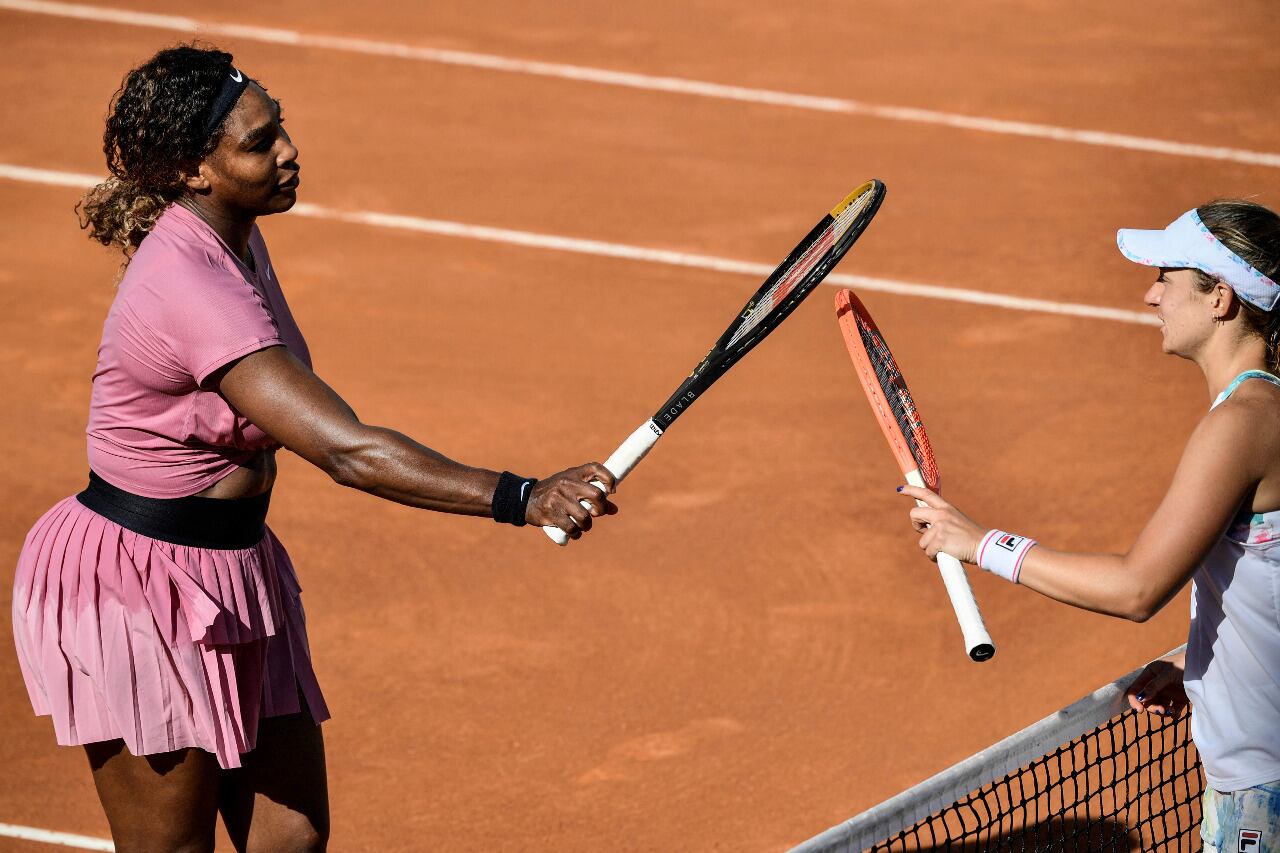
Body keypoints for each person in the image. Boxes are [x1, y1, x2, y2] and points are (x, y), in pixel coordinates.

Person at [11, 45, 617, 852]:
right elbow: (346, 451)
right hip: (140, 588)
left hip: (235, 568)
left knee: (289, 838)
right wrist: (520, 495)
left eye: (280, 128)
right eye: (261, 144)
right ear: (197, 170)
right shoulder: (189, 286)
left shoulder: (240, 239)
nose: (289, 151)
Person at [899, 199, 1280, 853]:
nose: (1150, 293)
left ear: (1219, 297)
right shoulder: (1265, 407)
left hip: (1259, 793)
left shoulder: (1241, 424)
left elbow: (1136, 589)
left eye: (1167, 276)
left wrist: (979, 541)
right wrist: (1199, 664)